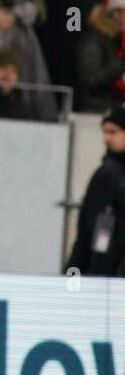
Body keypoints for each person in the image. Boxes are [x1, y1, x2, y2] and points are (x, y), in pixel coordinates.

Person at [66, 104, 125, 277]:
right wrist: (73, 276)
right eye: (105, 133)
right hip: (106, 273)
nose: (106, 139)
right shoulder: (107, 174)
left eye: (113, 132)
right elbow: (90, 233)